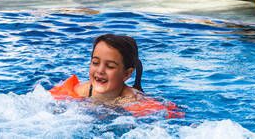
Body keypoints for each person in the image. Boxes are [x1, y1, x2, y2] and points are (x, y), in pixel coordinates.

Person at [50, 33, 184, 118]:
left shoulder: (132, 101)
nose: (100, 70)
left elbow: (172, 115)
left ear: (127, 74)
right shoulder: (80, 91)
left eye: (110, 66)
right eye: (95, 62)